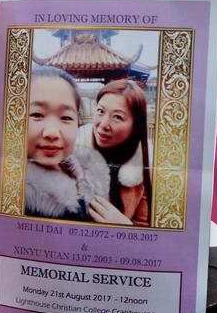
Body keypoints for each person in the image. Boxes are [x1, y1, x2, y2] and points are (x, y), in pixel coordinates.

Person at [25, 66, 132, 225]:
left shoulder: (91, 171)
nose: (52, 132)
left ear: (77, 122)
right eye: (37, 114)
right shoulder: (17, 196)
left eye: (66, 118)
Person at [78, 79, 153, 227]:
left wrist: (124, 226)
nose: (104, 124)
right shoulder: (71, 152)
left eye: (117, 117)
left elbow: (145, 229)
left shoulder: (147, 167)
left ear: (136, 125)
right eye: (100, 111)